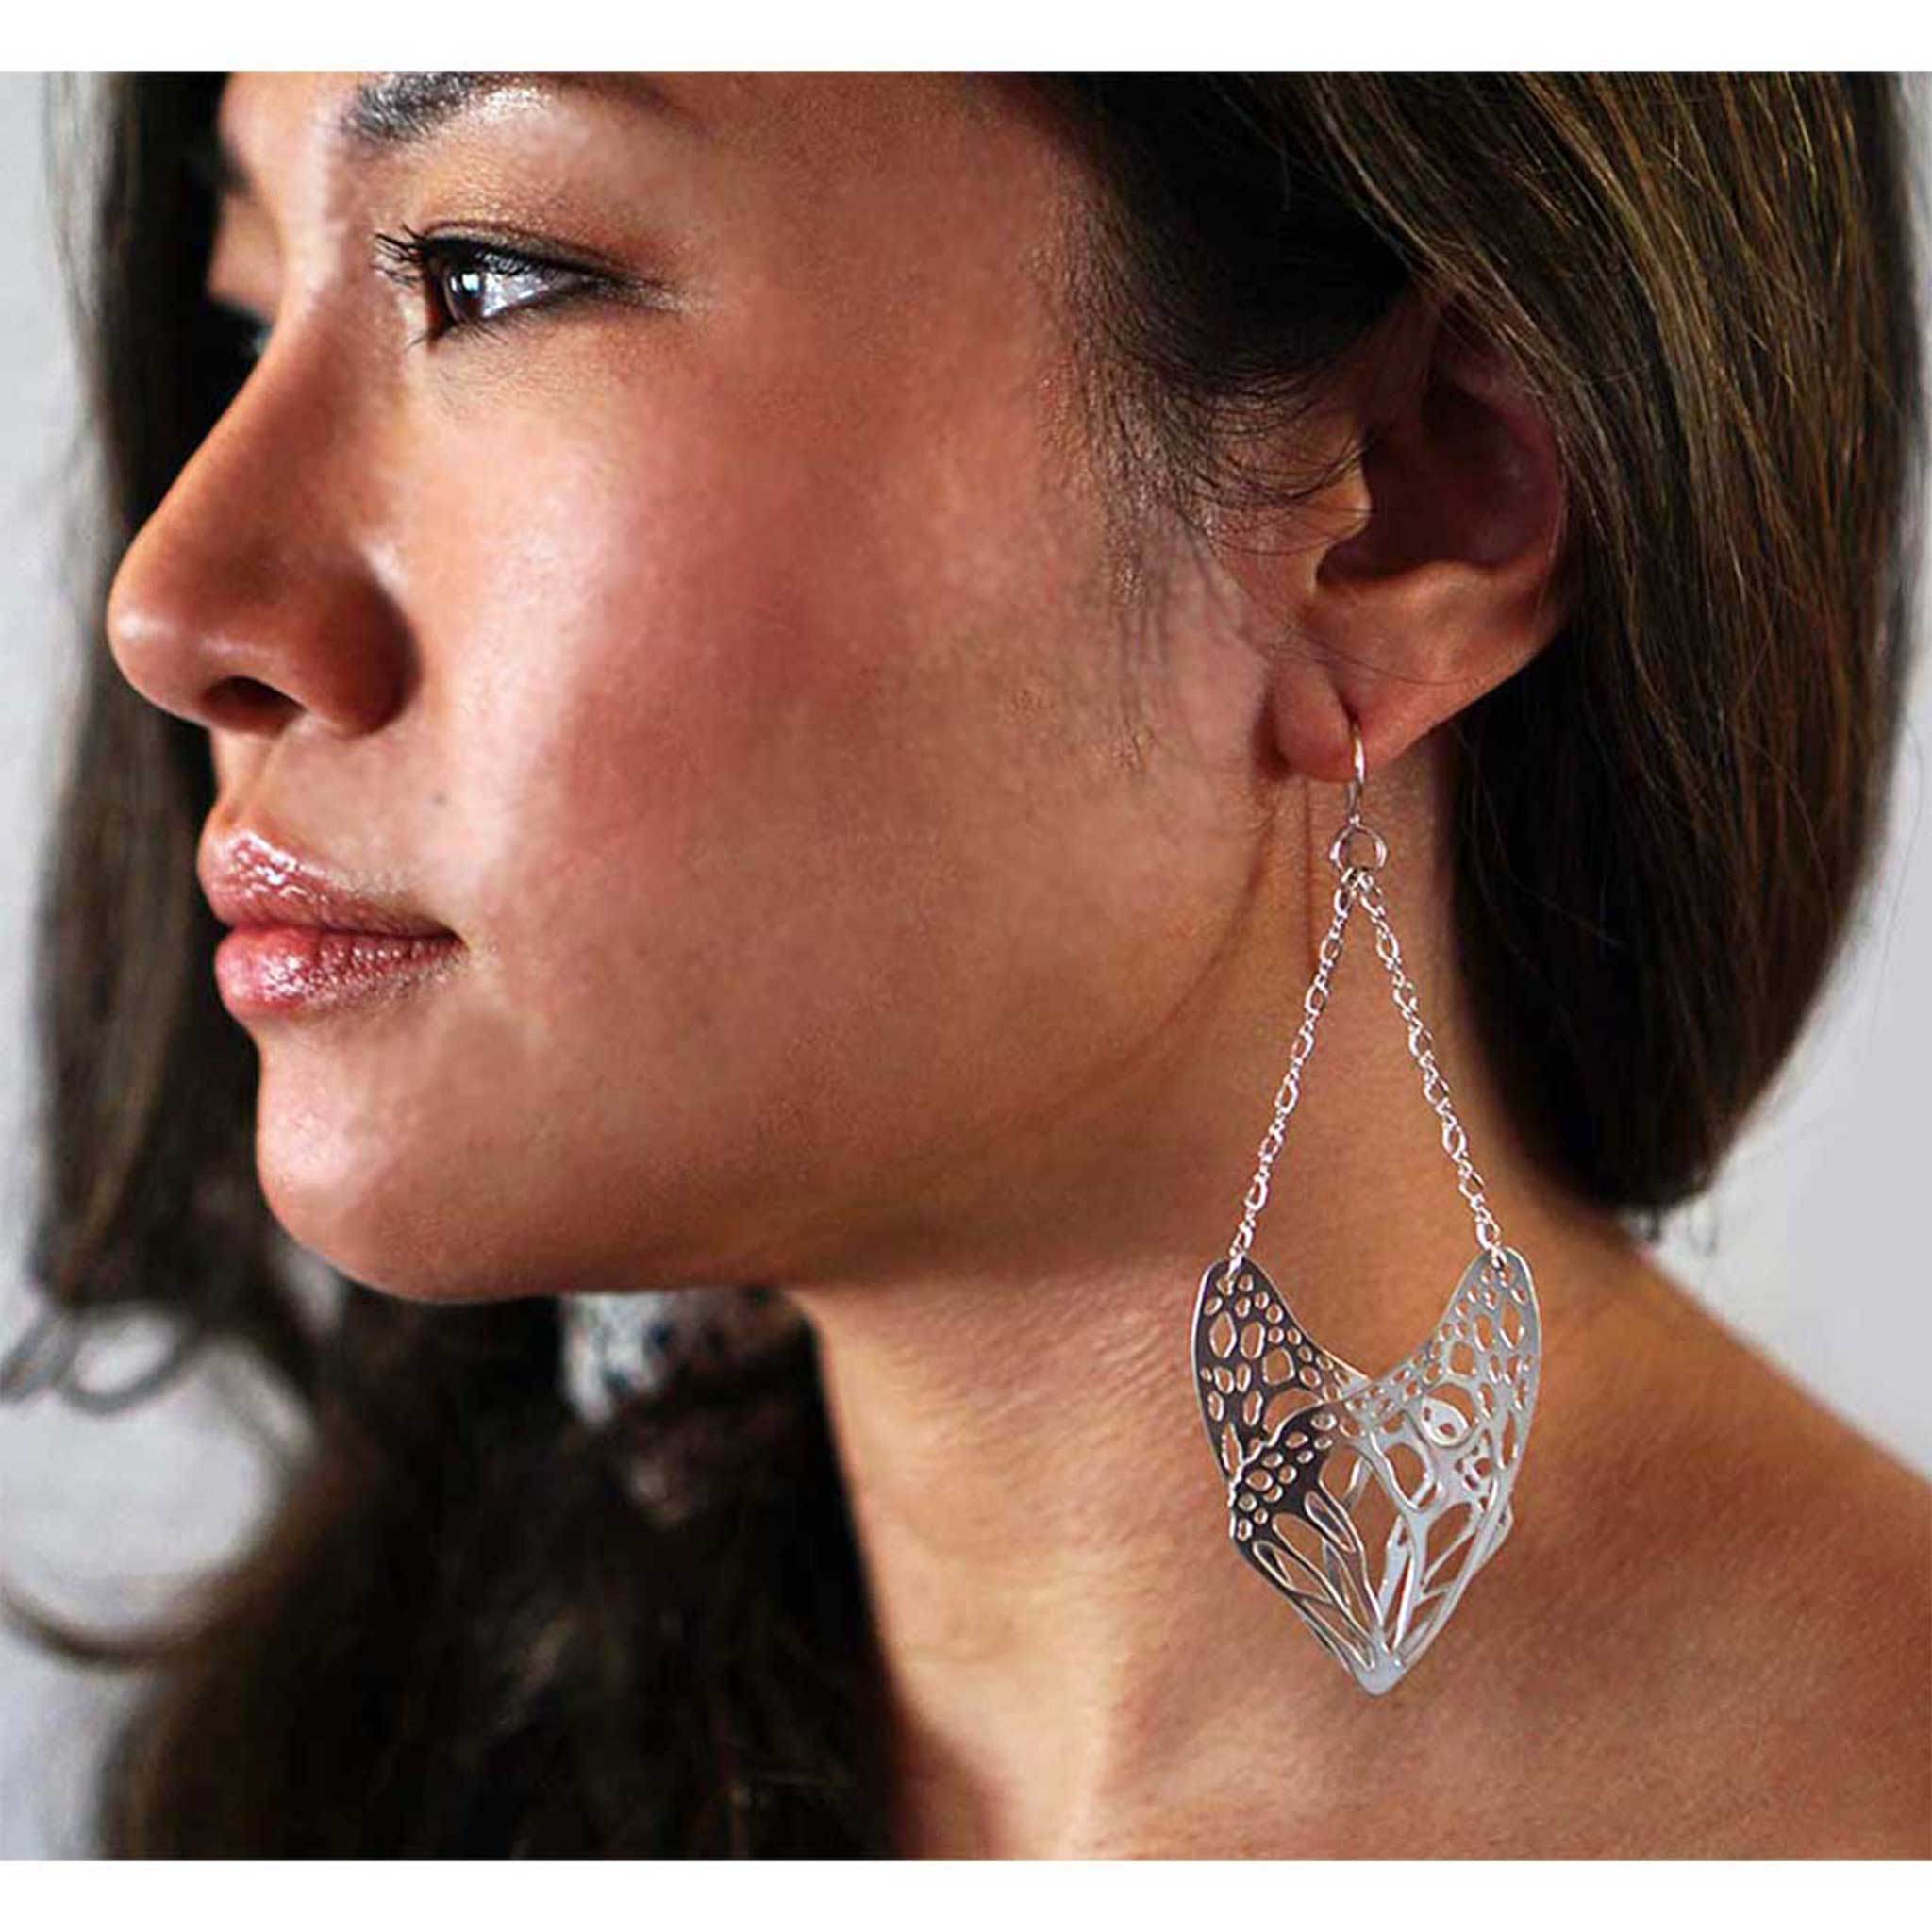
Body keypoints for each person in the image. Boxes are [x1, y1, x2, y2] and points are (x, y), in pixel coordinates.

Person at [3, 71, 1927, 1857]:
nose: (174, 604)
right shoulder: (369, 1769)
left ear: (1410, 506)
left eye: (492, 274)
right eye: (252, 321)